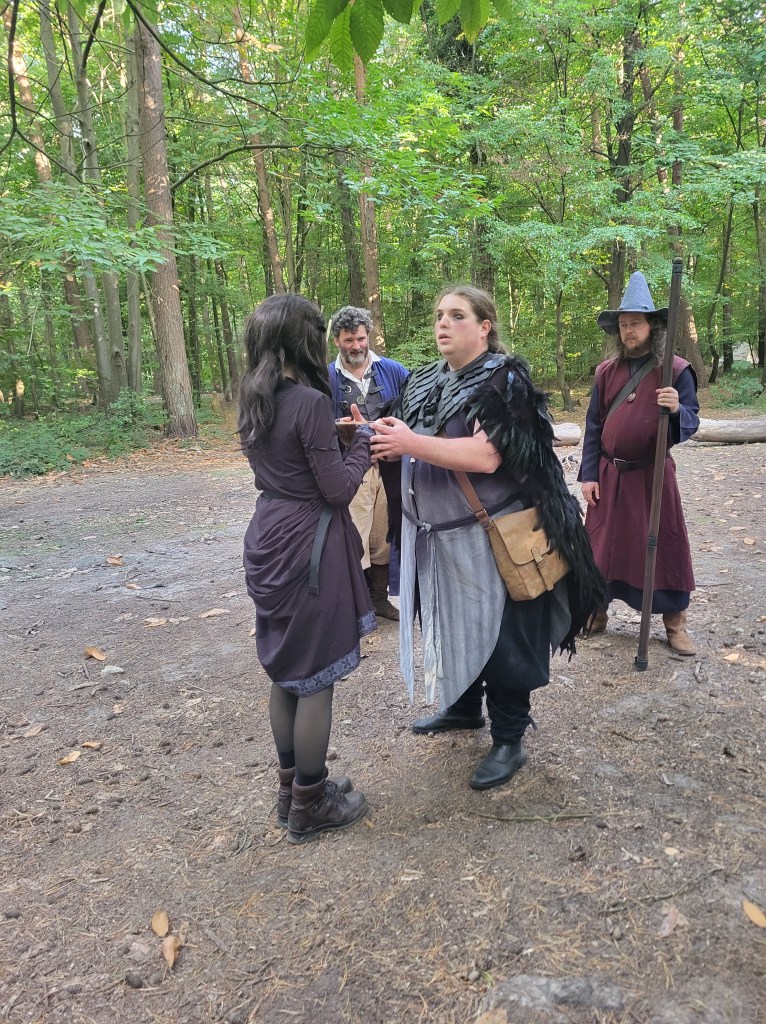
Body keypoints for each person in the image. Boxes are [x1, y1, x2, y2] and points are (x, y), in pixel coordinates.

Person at [370, 286, 604, 791]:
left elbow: (486, 456)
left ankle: (508, 739)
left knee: (502, 638)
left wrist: (409, 442)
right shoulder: (423, 379)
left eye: (457, 315)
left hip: (489, 536)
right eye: (440, 314)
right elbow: (410, 438)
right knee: (447, 624)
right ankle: (461, 706)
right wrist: (381, 436)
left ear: (484, 327)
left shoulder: (505, 379)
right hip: (435, 539)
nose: (443, 323)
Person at [238, 293, 374, 845]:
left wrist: (332, 442)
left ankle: (290, 791)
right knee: (316, 673)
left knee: (287, 671)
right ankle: (311, 804)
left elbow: (287, 459)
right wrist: (362, 442)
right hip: (309, 545)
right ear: (304, 340)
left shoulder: (253, 398)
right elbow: (337, 489)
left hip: (269, 532)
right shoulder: (311, 402)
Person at [577, 272, 700, 655]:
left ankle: (675, 624)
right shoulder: (606, 373)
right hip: (610, 475)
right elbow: (593, 426)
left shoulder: (675, 370)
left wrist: (676, 409)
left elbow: (691, 421)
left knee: (665, 546)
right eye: (624, 324)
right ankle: (596, 612)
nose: (629, 330)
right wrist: (589, 475)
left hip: (652, 475)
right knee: (601, 546)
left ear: (652, 326)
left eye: (636, 323)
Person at [329, 306, 409, 621]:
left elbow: (413, 412)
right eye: (349, 340)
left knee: (384, 538)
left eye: (361, 338)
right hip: (351, 471)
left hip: (389, 468)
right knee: (353, 538)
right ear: (337, 340)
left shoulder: (394, 371)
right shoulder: (326, 377)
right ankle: (355, 607)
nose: (356, 346)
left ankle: (378, 600)